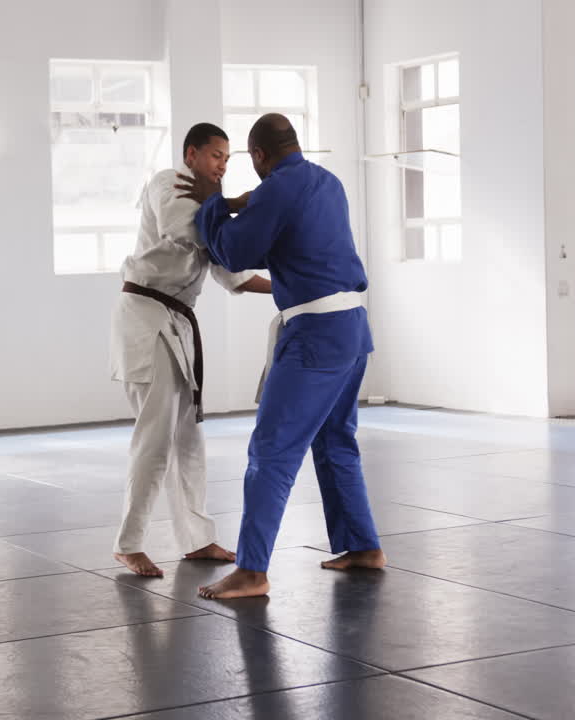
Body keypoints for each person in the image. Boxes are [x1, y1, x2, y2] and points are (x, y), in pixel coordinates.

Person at [177, 114, 384, 599]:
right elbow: (297, 242)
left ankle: (252, 571)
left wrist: (213, 207)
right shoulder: (329, 183)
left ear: (259, 157)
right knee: (335, 441)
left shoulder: (277, 189)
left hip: (316, 334)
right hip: (354, 329)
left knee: (270, 451)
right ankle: (363, 546)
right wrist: (245, 205)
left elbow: (232, 250)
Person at [110, 122, 272, 577]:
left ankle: (197, 539)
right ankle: (128, 542)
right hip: (145, 317)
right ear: (192, 154)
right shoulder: (170, 183)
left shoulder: (209, 208)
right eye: (216, 155)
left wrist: (291, 288)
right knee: (155, 435)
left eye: (228, 159)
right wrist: (232, 205)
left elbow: (230, 270)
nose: (222, 165)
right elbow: (185, 230)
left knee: (188, 438)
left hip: (177, 324)